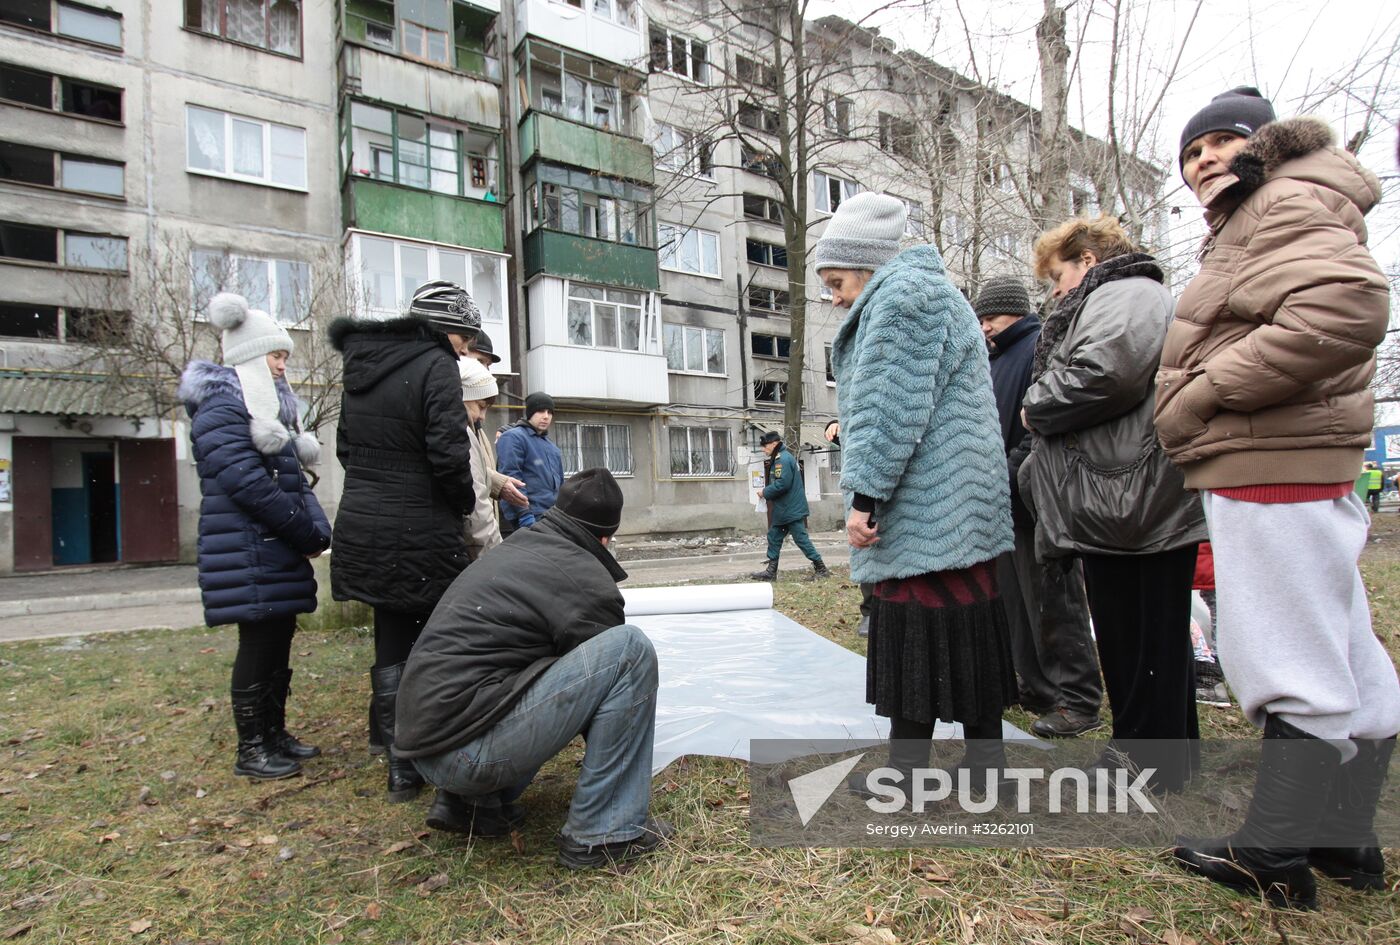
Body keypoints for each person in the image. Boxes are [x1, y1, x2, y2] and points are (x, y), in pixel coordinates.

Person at [1158, 87, 1400, 909]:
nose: (1205, 161)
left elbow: (1349, 303)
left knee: (1282, 649)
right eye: (1192, 153)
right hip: (1295, 452)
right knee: (1343, 646)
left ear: (1266, 144)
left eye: (1223, 142)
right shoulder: (1279, 207)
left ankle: (1275, 850)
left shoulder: (1281, 201)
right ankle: (1344, 836)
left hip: (1271, 455)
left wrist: (1205, 394)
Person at [820, 192, 1015, 791]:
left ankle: (907, 775)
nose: (834, 296)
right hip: (957, 497)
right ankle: (985, 766)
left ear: (866, 264)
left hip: (925, 500)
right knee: (966, 624)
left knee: (915, 627)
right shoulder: (931, 292)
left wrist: (864, 498)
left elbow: (889, 410)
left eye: (836, 281)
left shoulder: (902, 299)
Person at [397, 469, 670, 869]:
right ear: (606, 537)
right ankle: (604, 834)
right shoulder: (585, 580)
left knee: (526, 668)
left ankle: (472, 804)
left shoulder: (517, 549)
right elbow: (607, 695)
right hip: (465, 751)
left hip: (428, 743)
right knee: (629, 652)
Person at [1018, 214, 1206, 794]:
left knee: (1140, 634)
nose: (1054, 292)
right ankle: (1166, 756)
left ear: (1088, 262)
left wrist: (1035, 406)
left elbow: (1104, 373)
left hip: (1131, 494)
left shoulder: (1127, 295)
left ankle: (1145, 761)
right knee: (1140, 633)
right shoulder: (1126, 296)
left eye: (1057, 276)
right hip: (1119, 491)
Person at [329, 280, 480, 802]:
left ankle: (399, 766)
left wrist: (378, 485)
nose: (465, 349)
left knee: (390, 635)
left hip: (363, 519)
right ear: (447, 328)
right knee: (436, 638)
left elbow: (346, 447)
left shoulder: (365, 364)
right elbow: (447, 452)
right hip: (420, 522)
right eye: (464, 337)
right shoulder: (436, 363)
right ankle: (431, 751)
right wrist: (463, 502)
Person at [179, 292, 332, 780]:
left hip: (272, 547)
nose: (284, 365)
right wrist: (302, 532)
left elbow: (290, 482)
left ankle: (274, 733)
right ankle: (252, 747)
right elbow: (248, 485)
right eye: (276, 355)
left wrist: (316, 531)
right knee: (259, 644)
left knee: (278, 639)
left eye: (285, 355)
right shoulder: (222, 410)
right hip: (248, 549)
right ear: (248, 356)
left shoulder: (267, 413)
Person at [974, 276, 1103, 738]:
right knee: (1014, 602)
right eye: (981, 319)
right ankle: (1034, 688)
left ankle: (1078, 701)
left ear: (1016, 312)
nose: (985, 327)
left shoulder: (1038, 347)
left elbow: (1040, 424)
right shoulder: (994, 360)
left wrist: (1009, 471)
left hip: (1038, 498)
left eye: (991, 317)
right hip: (1004, 504)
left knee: (1054, 603)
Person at [465, 330, 530, 519]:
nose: (485, 371)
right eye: (479, 361)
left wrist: (497, 482)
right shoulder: (444, 420)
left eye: (488, 365)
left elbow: (474, 472)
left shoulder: (476, 424)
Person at [749, 432, 830, 581]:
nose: (763, 449)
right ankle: (771, 572)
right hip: (784, 509)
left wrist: (764, 492)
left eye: (765, 446)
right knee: (774, 536)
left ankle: (821, 568)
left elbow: (782, 484)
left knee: (801, 539)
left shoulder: (782, 459)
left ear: (774, 444)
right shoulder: (780, 458)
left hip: (791, 509)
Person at [825, 420, 872, 635]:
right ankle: (870, 612)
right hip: (863, 496)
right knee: (867, 552)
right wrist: (834, 425)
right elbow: (854, 437)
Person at [497, 392, 564, 537]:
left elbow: (561, 485)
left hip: (552, 517)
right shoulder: (513, 437)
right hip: (527, 517)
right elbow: (511, 477)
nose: (546, 416)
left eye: (550, 412)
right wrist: (524, 514)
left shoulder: (553, 448)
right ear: (530, 413)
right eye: (540, 411)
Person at [459, 359, 504, 561]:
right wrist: (496, 564)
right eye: (480, 406)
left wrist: (496, 483)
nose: (482, 416)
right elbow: (475, 510)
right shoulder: (461, 433)